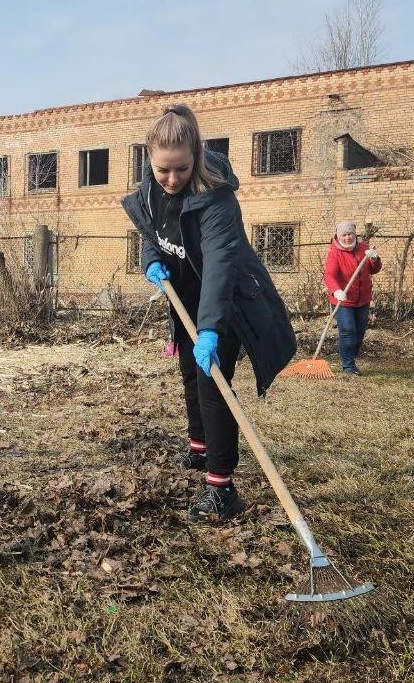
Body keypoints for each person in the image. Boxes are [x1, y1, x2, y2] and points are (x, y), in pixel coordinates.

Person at [122, 105, 296, 523]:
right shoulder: (151, 188)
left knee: (212, 384)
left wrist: (211, 330)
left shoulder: (216, 196)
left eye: (180, 169)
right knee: (188, 373)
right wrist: (150, 259)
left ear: (196, 155)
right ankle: (200, 448)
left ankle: (222, 487)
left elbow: (220, 265)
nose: (171, 179)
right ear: (149, 157)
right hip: (182, 295)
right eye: (162, 169)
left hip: (224, 302)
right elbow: (152, 231)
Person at [323, 221, 382, 375]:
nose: (347, 237)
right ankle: (348, 366)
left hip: (362, 298)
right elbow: (329, 274)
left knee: (360, 330)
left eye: (350, 234)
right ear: (338, 236)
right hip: (343, 299)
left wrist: (375, 259)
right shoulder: (335, 252)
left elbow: (374, 270)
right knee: (348, 330)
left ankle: (351, 355)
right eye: (344, 234)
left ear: (354, 234)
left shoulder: (363, 248)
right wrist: (336, 290)